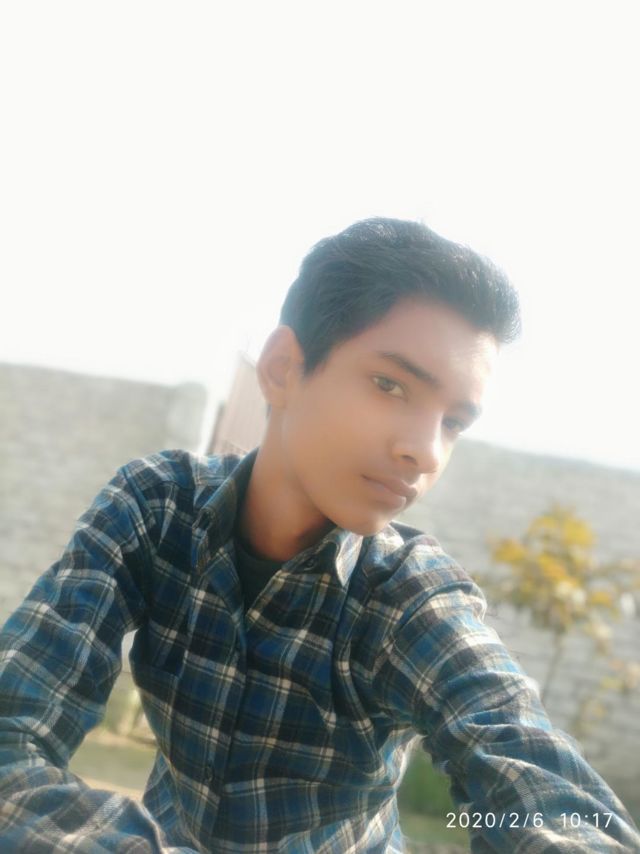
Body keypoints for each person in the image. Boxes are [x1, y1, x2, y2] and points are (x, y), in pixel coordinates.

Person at [0, 218, 638, 853]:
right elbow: (11, 729)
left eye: (453, 423)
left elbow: (539, 784)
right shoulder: (157, 509)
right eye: (390, 385)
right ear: (282, 368)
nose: (425, 451)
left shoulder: (408, 597)